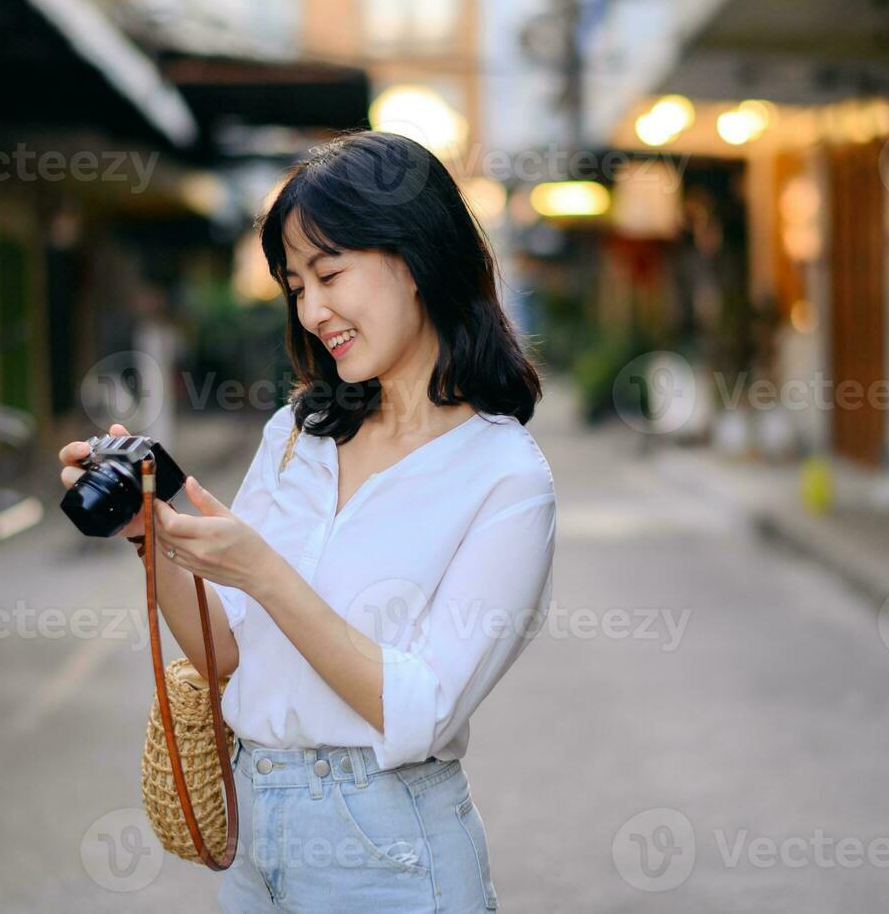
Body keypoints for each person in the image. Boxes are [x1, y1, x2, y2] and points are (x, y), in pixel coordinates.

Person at [58, 131, 557, 912]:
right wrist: (150, 537)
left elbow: (421, 710)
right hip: (258, 833)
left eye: (330, 273)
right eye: (295, 285)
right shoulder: (299, 434)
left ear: (418, 258)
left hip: (390, 849)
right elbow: (225, 648)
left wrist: (264, 571)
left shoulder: (506, 478)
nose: (313, 309)